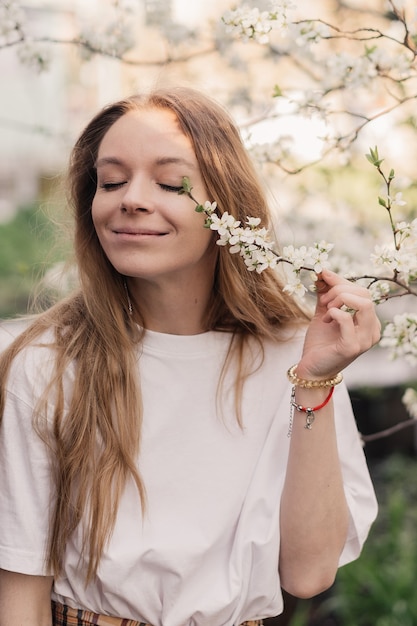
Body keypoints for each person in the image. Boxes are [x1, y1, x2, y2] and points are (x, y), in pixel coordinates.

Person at [0, 85, 380, 626]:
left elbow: (308, 573)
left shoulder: (296, 355)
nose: (130, 197)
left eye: (170, 182)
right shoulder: (46, 362)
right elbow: (20, 588)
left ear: (227, 205)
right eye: (111, 181)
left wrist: (314, 381)